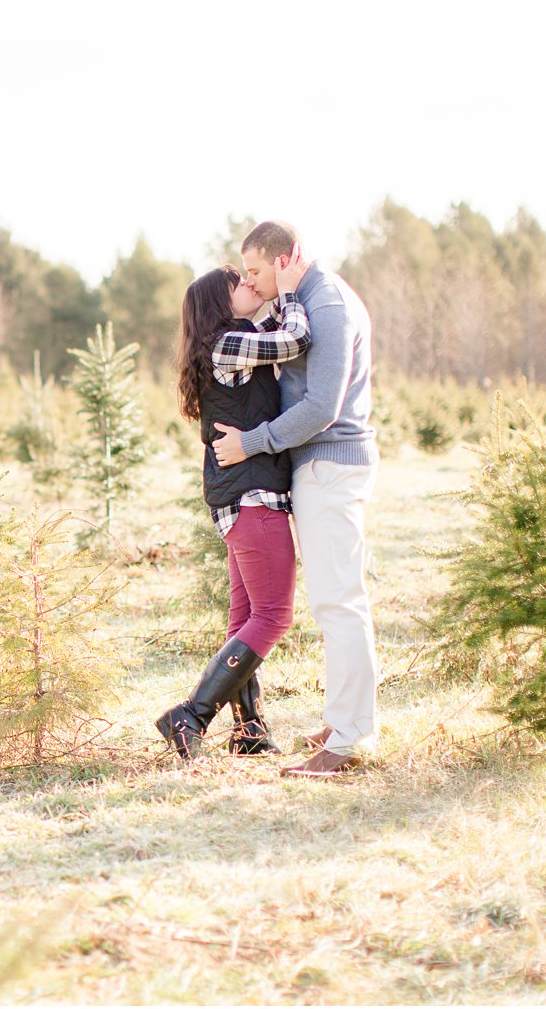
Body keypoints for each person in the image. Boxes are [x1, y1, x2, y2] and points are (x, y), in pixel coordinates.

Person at [210, 220, 380, 779]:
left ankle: (349, 740)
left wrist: (251, 444)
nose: (252, 284)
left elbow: (322, 407)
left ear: (289, 258)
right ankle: (343, 720)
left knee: (338, 601)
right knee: (334, 598)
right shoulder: (303, 302)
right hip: (318, 466)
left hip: (331, 463)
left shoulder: (324, 304)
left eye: (256, 270)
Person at [154, 249, 311, 760]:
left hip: (236, 499)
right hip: (253, 497)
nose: (248, 282)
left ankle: (249, 731)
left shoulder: (225, 343)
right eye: (236, 282)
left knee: (246, 616)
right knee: (274, 615)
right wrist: (287, 290)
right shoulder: (228, 344)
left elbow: (272, 335)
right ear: (220, 303)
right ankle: (191, 716)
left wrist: (271, 298)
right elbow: (295, 339)